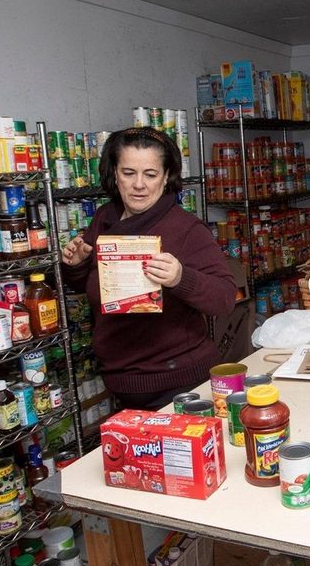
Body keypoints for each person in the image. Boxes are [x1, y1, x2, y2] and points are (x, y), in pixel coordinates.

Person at [61, 127, 236, 411]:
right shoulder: (105, 218)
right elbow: (91, 288)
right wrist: (77, 265)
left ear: (166, 177)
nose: (138, 184)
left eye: (150, 174)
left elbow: (225, 298)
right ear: (114, 173)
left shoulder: (186, 228)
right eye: (129, 173)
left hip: (180, 386)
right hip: (122, 384)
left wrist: (181, 277)